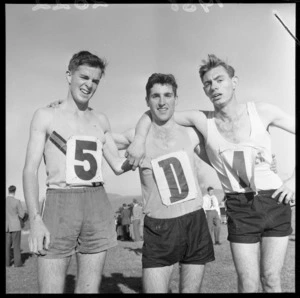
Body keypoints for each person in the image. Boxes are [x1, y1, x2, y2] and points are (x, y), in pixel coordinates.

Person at [126, 54, 295, 293]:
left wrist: (293, 182)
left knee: (271, 279)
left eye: (220, 80)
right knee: (248, 284)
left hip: (274, 201)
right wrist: (140, 139)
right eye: (208, 83)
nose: (214, 87)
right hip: (239, 205)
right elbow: (157, 111)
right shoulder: (202, 120)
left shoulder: (262, 111)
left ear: (234, 82)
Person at [22, 50, 132, 293]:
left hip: (97, 202)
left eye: (95, 81)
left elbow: (117, 164)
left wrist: (141, 147)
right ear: (69, 75)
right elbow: (30, 170)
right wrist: (35, 219)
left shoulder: (101, 120)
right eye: (84, 77)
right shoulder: (45, 115)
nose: (89, 85)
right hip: (60, 202)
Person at [112, 73, 215, 293]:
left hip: (195, 221)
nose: (162, 102)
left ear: (176, 99)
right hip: (160, 227)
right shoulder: (136, 136)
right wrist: (68, 114)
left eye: (168, 95)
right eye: (155, 96)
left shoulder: (191, 133)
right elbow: (100, 139)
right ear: (147, 101)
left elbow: (220, 152)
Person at [6, 185, 26, 267]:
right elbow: (22, 215)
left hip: (6, 227)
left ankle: (7, 263)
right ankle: (17, 263)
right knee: (16, 246)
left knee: (7, 247)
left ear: (8, 191)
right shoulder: (17, 201)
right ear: (15, 191)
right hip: (16, 226)